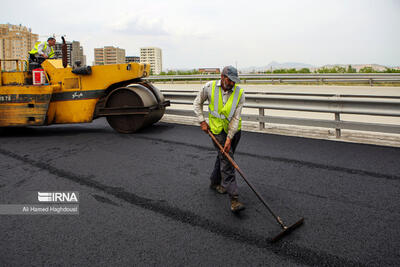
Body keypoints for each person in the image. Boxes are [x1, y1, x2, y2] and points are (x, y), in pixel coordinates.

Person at [193, 65, 246, 212]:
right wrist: (202, 121)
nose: (232, 84)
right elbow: (196, 103)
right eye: (230, 81)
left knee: (223, 156)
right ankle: (234, 199)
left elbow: (235, 118)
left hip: (234, 132)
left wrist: (229, 138)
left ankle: (214, 182)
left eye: (234, 81)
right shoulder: (209, 87)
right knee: (228, 161)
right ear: (222, 77)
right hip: (216, 130)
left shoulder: (240, 93)